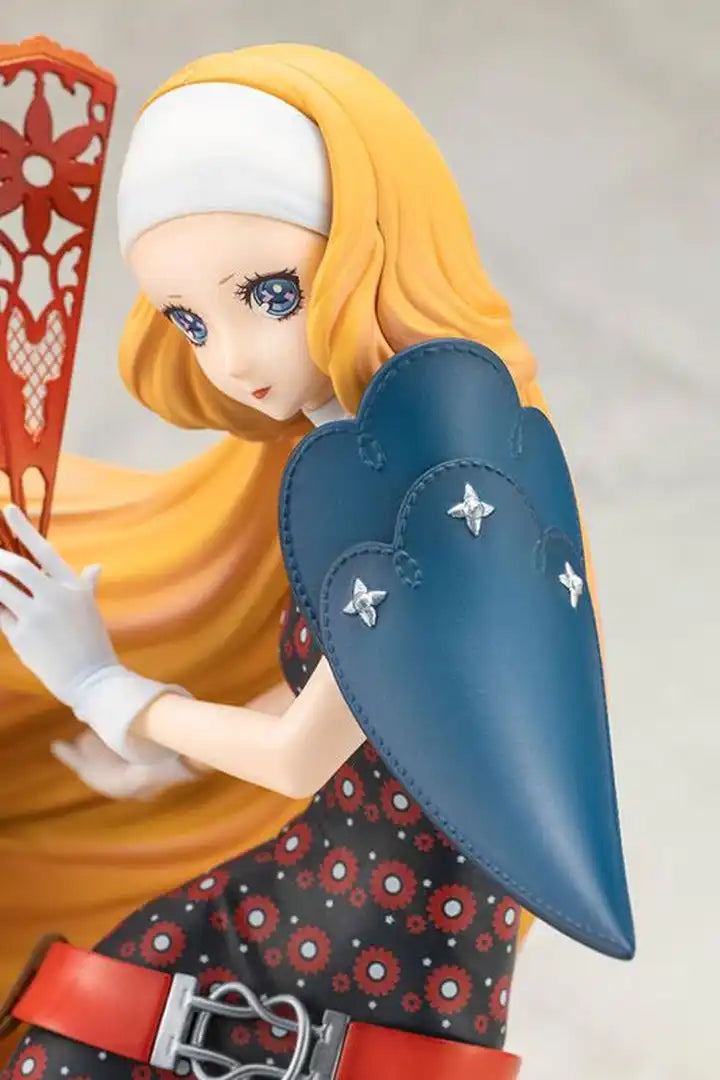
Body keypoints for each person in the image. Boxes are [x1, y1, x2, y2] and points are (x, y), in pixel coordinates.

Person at [0, 43, 630, 1079]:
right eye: (191, 322)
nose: (232, 358)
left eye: (269, 293)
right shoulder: (365, 469)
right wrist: (160, 756)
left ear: (370, 250)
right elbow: (358, 705)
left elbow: (302, 756)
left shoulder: (444, 484)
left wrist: (109, 690)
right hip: (336, 899)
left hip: (381, 940)